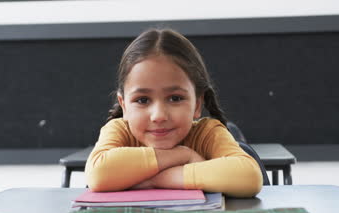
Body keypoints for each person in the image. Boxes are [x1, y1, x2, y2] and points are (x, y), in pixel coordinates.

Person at [85, 28, 262, 200]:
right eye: (142, 100)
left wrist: (156, 180)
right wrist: (182, 155)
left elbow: (249, 176)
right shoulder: (119, 131)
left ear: (197, 104)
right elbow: (98, 174)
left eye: (175, 98)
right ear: (124, 106)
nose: (159, 116)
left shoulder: (207, 133)